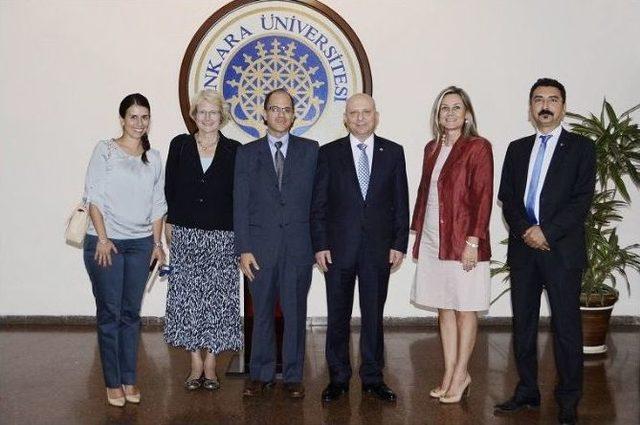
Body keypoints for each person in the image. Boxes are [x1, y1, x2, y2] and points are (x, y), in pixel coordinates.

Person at [495, 78, 596, 425]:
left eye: (553, 99)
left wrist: (546, 232)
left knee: (566, 327)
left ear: (563, 107)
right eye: (538, 99)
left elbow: (582, 200)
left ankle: (568, 398)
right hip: (524, 251)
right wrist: (526, 231)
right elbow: (507, 197)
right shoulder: (517, 148)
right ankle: (527, 391)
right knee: (523, 324)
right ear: (530, 107)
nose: (545, 105)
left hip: (561, 251)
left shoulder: (582, 148)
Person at [311, 93, 409, 403]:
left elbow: (400, 203)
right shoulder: (328, 154)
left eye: (366, 112)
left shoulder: (393, 152)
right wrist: (320, 244)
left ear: (376, 116)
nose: (360, 118)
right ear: (345, 118)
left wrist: (399, 243)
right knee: (337, 315)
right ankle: (338, 377)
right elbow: (318, 205)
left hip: (379, 250)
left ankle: (372, 377)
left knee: (372, 316)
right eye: (354, 113)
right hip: (337, 250)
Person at [409, 86, 493, 403]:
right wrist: (417, 232)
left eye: (456, 107)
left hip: (463, 239)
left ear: (467, 114)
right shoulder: (432, 148)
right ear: (438, 114)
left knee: (465, 308)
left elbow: (483, 196)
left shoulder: (478, 147)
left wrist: (473, 240)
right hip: (433, 238)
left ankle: (461, 374)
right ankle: (448, 372)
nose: (450, 113)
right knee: (444, 307)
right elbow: (424, 193)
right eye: (444, 108)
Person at [234, 88, 319, 399]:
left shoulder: (311, 151)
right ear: (264, 113)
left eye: (286, 109)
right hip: (259, 249)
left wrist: (317, 244)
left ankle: (294, 376)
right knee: (261, 313)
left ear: (294, 115)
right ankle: (260, 373)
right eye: (274, 109)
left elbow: (318, 204)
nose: (280, 114)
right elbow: (240, 205)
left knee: (295, 313)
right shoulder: (246, 153)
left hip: (298, 248)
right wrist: (243, 248)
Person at [82, 93, 167, 407]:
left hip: (141, 244)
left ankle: (130, 379)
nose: (139, 123)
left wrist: (157, 244)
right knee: (110, 314)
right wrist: (103, 239)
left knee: (131, 315)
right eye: (133, 117)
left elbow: (158, 204)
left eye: (144, 117)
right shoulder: (105, 150)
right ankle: (112, 383)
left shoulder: (154, 157)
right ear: (122, 119)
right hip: (106, 244)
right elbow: (94, 198)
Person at [163, 89, 243, 391]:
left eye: (213, 112)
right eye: (202, 112)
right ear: (194, 115)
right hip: (185, 233)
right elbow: (169, 187)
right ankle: (194, 362)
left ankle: (211, 363)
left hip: (223, 235)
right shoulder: (180, 145)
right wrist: (169, 221)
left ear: (221, 117)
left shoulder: (235, 150)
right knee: (188, 300)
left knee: (218, 300)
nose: (207, 118)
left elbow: (240, 196)